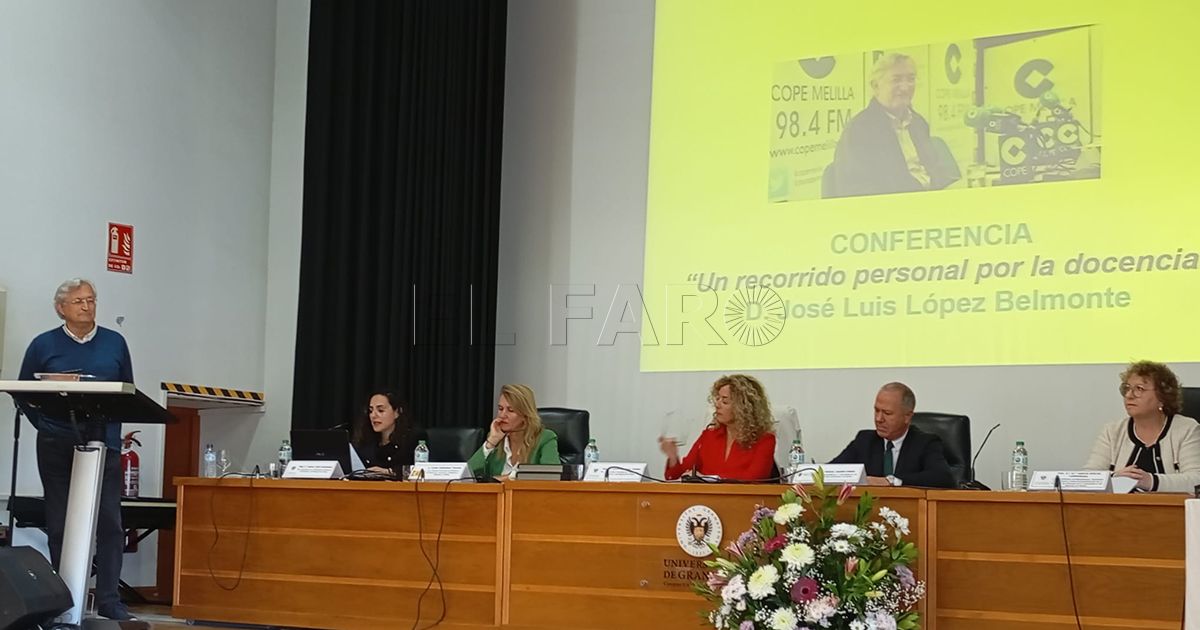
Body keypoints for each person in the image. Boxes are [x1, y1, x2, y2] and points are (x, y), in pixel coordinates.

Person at [17, 279, 136, 621]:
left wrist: (113, 432)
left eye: (91, 299)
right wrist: (46, 426)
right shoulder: (43, 344)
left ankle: (110, 601)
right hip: (55, 443)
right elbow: (23, 392)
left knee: (110, 524)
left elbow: (128, 390)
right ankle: (64, 601)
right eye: (79, 301)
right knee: (59, 524)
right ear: (61, 308)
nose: (87, 306)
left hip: (104, 445)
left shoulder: (115, 342)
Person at [826, 52, 958, 198]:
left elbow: (934, 169)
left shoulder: (919, 123)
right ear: (876, 86)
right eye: (896, 80)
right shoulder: (858, 131)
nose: (905, 87)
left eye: (911, 79)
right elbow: (857, 190)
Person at [1084, 361, 1200, 492]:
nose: (1129, 395)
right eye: (1127, 388)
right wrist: (1114, 477)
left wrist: (1150, 481)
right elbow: (1089, 478)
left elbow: (1196, 480)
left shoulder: (1187, 429)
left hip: (1171, 505)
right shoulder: (1112, 431)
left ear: (1162, 397)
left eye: (1139, 389)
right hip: (1119, 505)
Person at [830, 382, 954, 488]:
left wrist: (892, 481)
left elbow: (943, 478)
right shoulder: (865, 440)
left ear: (907, 416)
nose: (878, 419)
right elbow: (830, 472)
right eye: (876, 410)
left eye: (887, 413)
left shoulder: (925, 443)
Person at [659, 374, 777, 481]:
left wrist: (708, 479)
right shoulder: (709, 436)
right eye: (717, 399)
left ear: (744, 408)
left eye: (725, 401)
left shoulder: (765, 440)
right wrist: (673, 457)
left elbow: (754, 480)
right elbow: (675, 476)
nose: (717, 405)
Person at [468, 384, 560, 479]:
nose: (502, 415)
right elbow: (467, 475)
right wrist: (491, 442)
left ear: (526, 414)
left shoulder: (545, 438)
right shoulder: (497, 440)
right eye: (500, 409)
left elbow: (552, 474)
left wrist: (510, 477)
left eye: (510, 410)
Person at [351, 391, 427, 476]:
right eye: (370, 411)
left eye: (380, 410)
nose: (373, 415)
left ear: (397, 412)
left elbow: (421, 470)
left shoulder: (413, 438)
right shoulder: (365, 440)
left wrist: (389, 472)